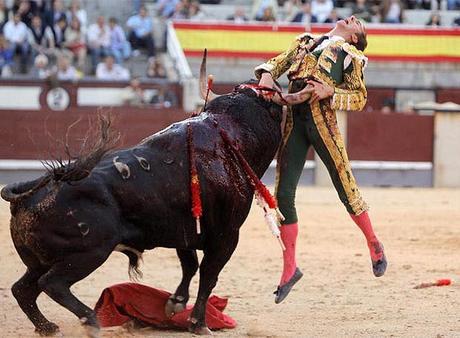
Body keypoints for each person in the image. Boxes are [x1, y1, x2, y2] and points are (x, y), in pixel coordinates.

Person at [255, 16, 387, 304]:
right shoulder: (304, 41)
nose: (352, 18)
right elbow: (278, 62)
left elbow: (359, 97)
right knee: (283, 194)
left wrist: (332, 91)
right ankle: (290, 268)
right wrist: (266, 73)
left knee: (344, 185)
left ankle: (373, 241)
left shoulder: (351, 54)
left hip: (322, 119)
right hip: (294, 120)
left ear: (355, 37)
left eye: (358, 24)